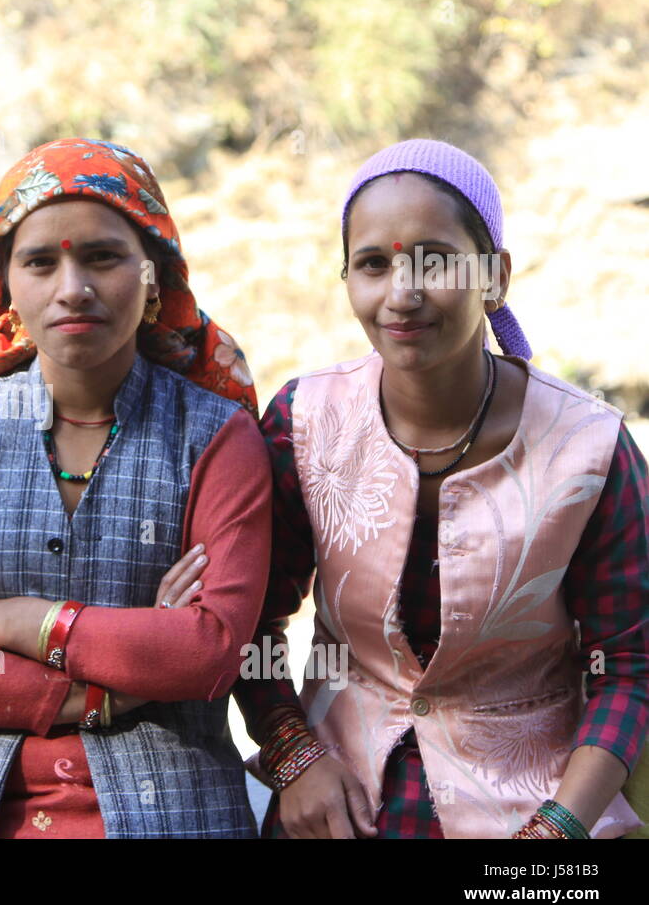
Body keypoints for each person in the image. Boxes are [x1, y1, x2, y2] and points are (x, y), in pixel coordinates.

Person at [233, 139, 647, 838]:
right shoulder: (303, 423)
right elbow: (251, 627)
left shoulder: (591, 447)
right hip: (339, 799)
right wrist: (294, 756)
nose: (403, 293)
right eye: (373, 264)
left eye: (436, 260)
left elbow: (630, 668)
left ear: (495, 276)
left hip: (533, 801)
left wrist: (559, 833)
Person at [0, 137, 271, 838]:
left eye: (102, 257)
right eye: (40, 262)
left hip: (172, 817)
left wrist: (17, 621)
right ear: (6, 286)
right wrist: (113, 686)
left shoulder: (218, 438)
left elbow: (209, 652)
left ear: (154, 276)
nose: (72, 288)